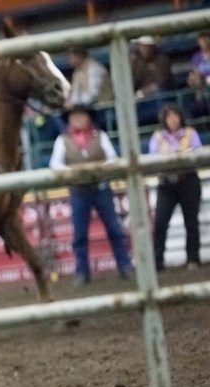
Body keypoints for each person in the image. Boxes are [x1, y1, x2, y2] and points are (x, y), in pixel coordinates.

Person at [49, 104, 134, 285]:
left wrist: (96, 170)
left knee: (115, 230)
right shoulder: (62, 139)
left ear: (89, 118)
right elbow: (55, 164)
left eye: (82, 115)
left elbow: (112, 158)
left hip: (100, 187)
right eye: (74, 116)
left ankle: (125, 265)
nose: (78, 119)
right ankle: (82, 272)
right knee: (80, 235)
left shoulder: (100, 136)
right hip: (79, 190)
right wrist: (75, 172)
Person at [147, 103, 203, 272]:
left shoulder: (190, 133)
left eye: (175, 115)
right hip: (167, 183)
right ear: (164, 119)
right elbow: (152, 158)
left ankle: (193, 259)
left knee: (191, 222)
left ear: (180, 117)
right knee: (160, 223)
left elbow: (199, 155)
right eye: (169, 116)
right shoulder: (157, 137)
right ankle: (157, 262)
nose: (172, 120)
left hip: (189, 181)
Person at [186, 30, 210, 121]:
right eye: (201, 39)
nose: (203, 41)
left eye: (205, 39)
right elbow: (195, 73)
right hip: (202, 86)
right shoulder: (196, 57)